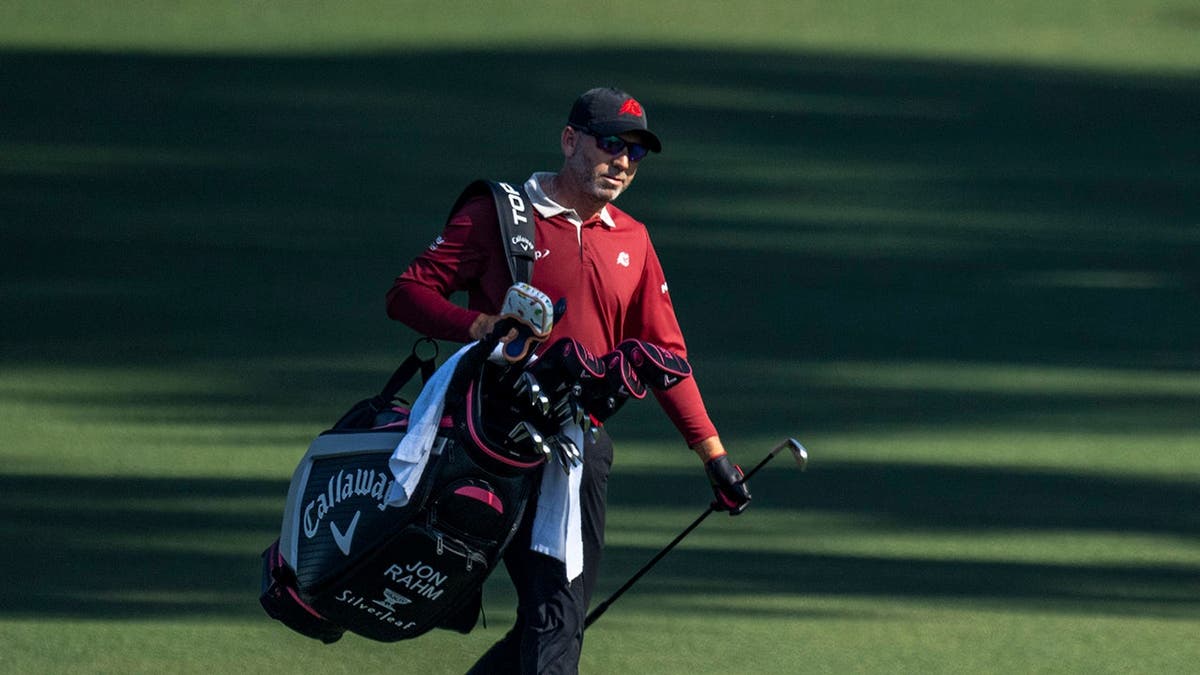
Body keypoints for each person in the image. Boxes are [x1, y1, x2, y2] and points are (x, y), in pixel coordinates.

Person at [386, 86, 752, 674]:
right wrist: (482, 324)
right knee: (556, 619)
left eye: (637, 153)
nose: (624, 162)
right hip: (491, 443)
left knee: (555, 619)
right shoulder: (500, 214)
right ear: (569, 140)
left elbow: (667, 358)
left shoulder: (633, 239)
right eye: (611, 144)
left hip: (579, 451)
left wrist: (713, 454)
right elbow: (407, 294)